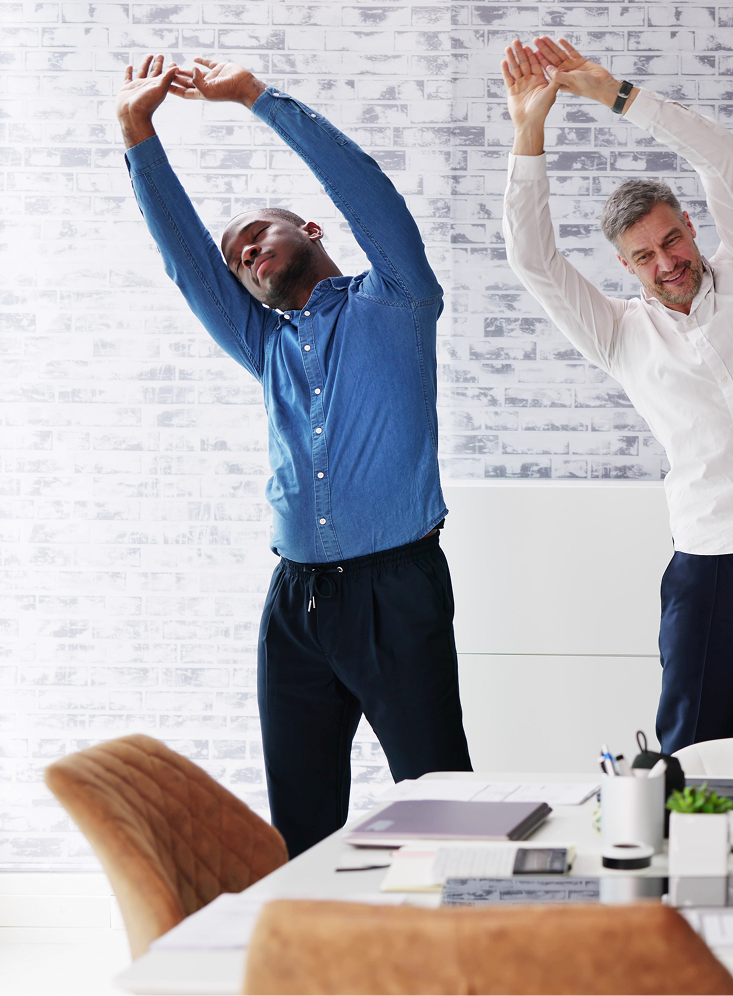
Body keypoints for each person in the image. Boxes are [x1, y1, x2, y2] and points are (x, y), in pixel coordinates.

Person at [115, 55, 471, 857]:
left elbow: (368, 191)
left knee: (442, 800)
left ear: (308, 230)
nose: (242, 256)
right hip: (295, 605)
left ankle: (467, 963)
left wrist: (257, 100)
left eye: (255, 236)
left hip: (397, 593)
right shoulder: (262, 345)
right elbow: (186, 263)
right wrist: (136, 133)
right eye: (235, 258)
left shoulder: (397, 301)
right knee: (299, 830)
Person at [499, 38, 733, 753]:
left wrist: (615, 95)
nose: (667, 263)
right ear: (624, 265)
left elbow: (719, 153)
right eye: (644, 255)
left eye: (672, 240)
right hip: (711, 569)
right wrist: (529, 131)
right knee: (685, 758)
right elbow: (533, 260)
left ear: (691, 226)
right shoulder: (617, 333)